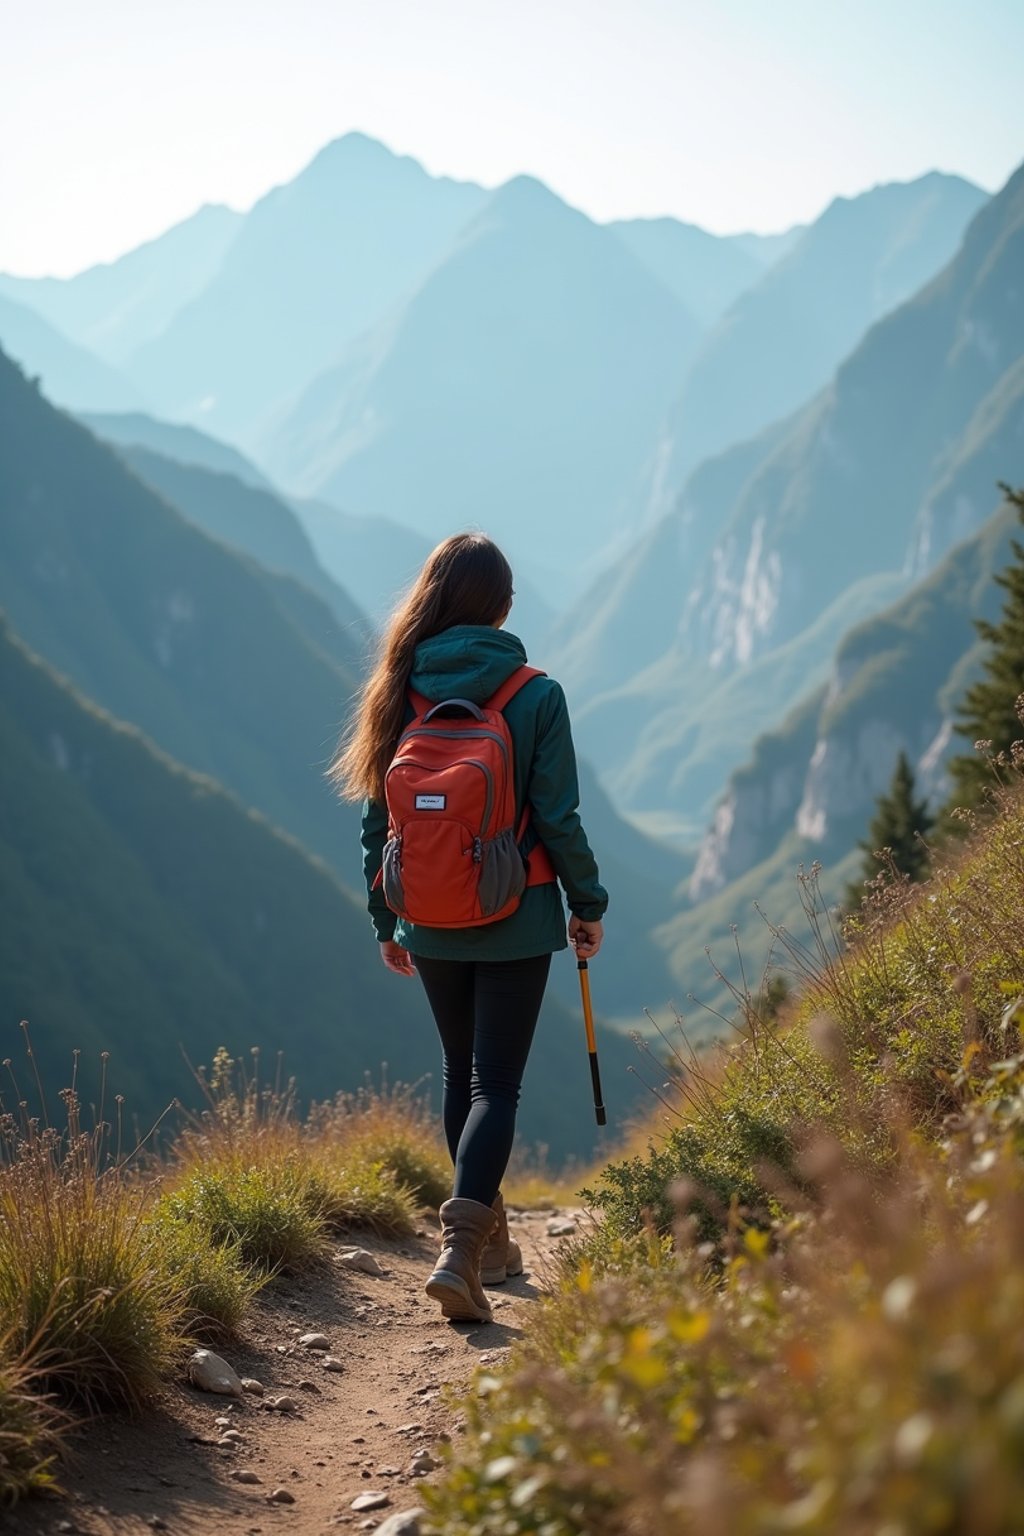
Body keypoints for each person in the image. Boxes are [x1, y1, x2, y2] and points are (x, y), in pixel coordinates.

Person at [331, 532, 607, 1324]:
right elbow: (558, 817)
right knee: (499, 1083)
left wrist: (388, 916)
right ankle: (459, 1250)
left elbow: (377, 820)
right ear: (504, 608)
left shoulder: (400, 685)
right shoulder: (535, 694)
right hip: (517, 915)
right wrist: (587, 905)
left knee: (462, 1075)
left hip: (429, 915)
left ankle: (489, 1244)